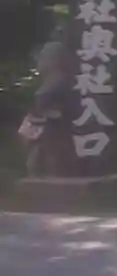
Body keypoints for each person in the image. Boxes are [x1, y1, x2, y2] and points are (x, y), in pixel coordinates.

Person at [17, 41, 76, 178]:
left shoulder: (57, 85)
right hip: (47, 137)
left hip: (52, 137)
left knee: (50, 167)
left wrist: (30, 128)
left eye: (42, 57)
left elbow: (51, 113)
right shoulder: (53, 83)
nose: (39, 61)